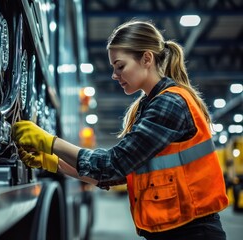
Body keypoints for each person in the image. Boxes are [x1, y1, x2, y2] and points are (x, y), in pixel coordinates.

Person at [12, 19, 229, 240]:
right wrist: (55, 163)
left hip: (192, 233)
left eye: (120, 66)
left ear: (146, 58)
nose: (115, 75)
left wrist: (50, 142)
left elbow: (113, 165)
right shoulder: (150, 105)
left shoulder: (170, 103)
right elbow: (118, 175)